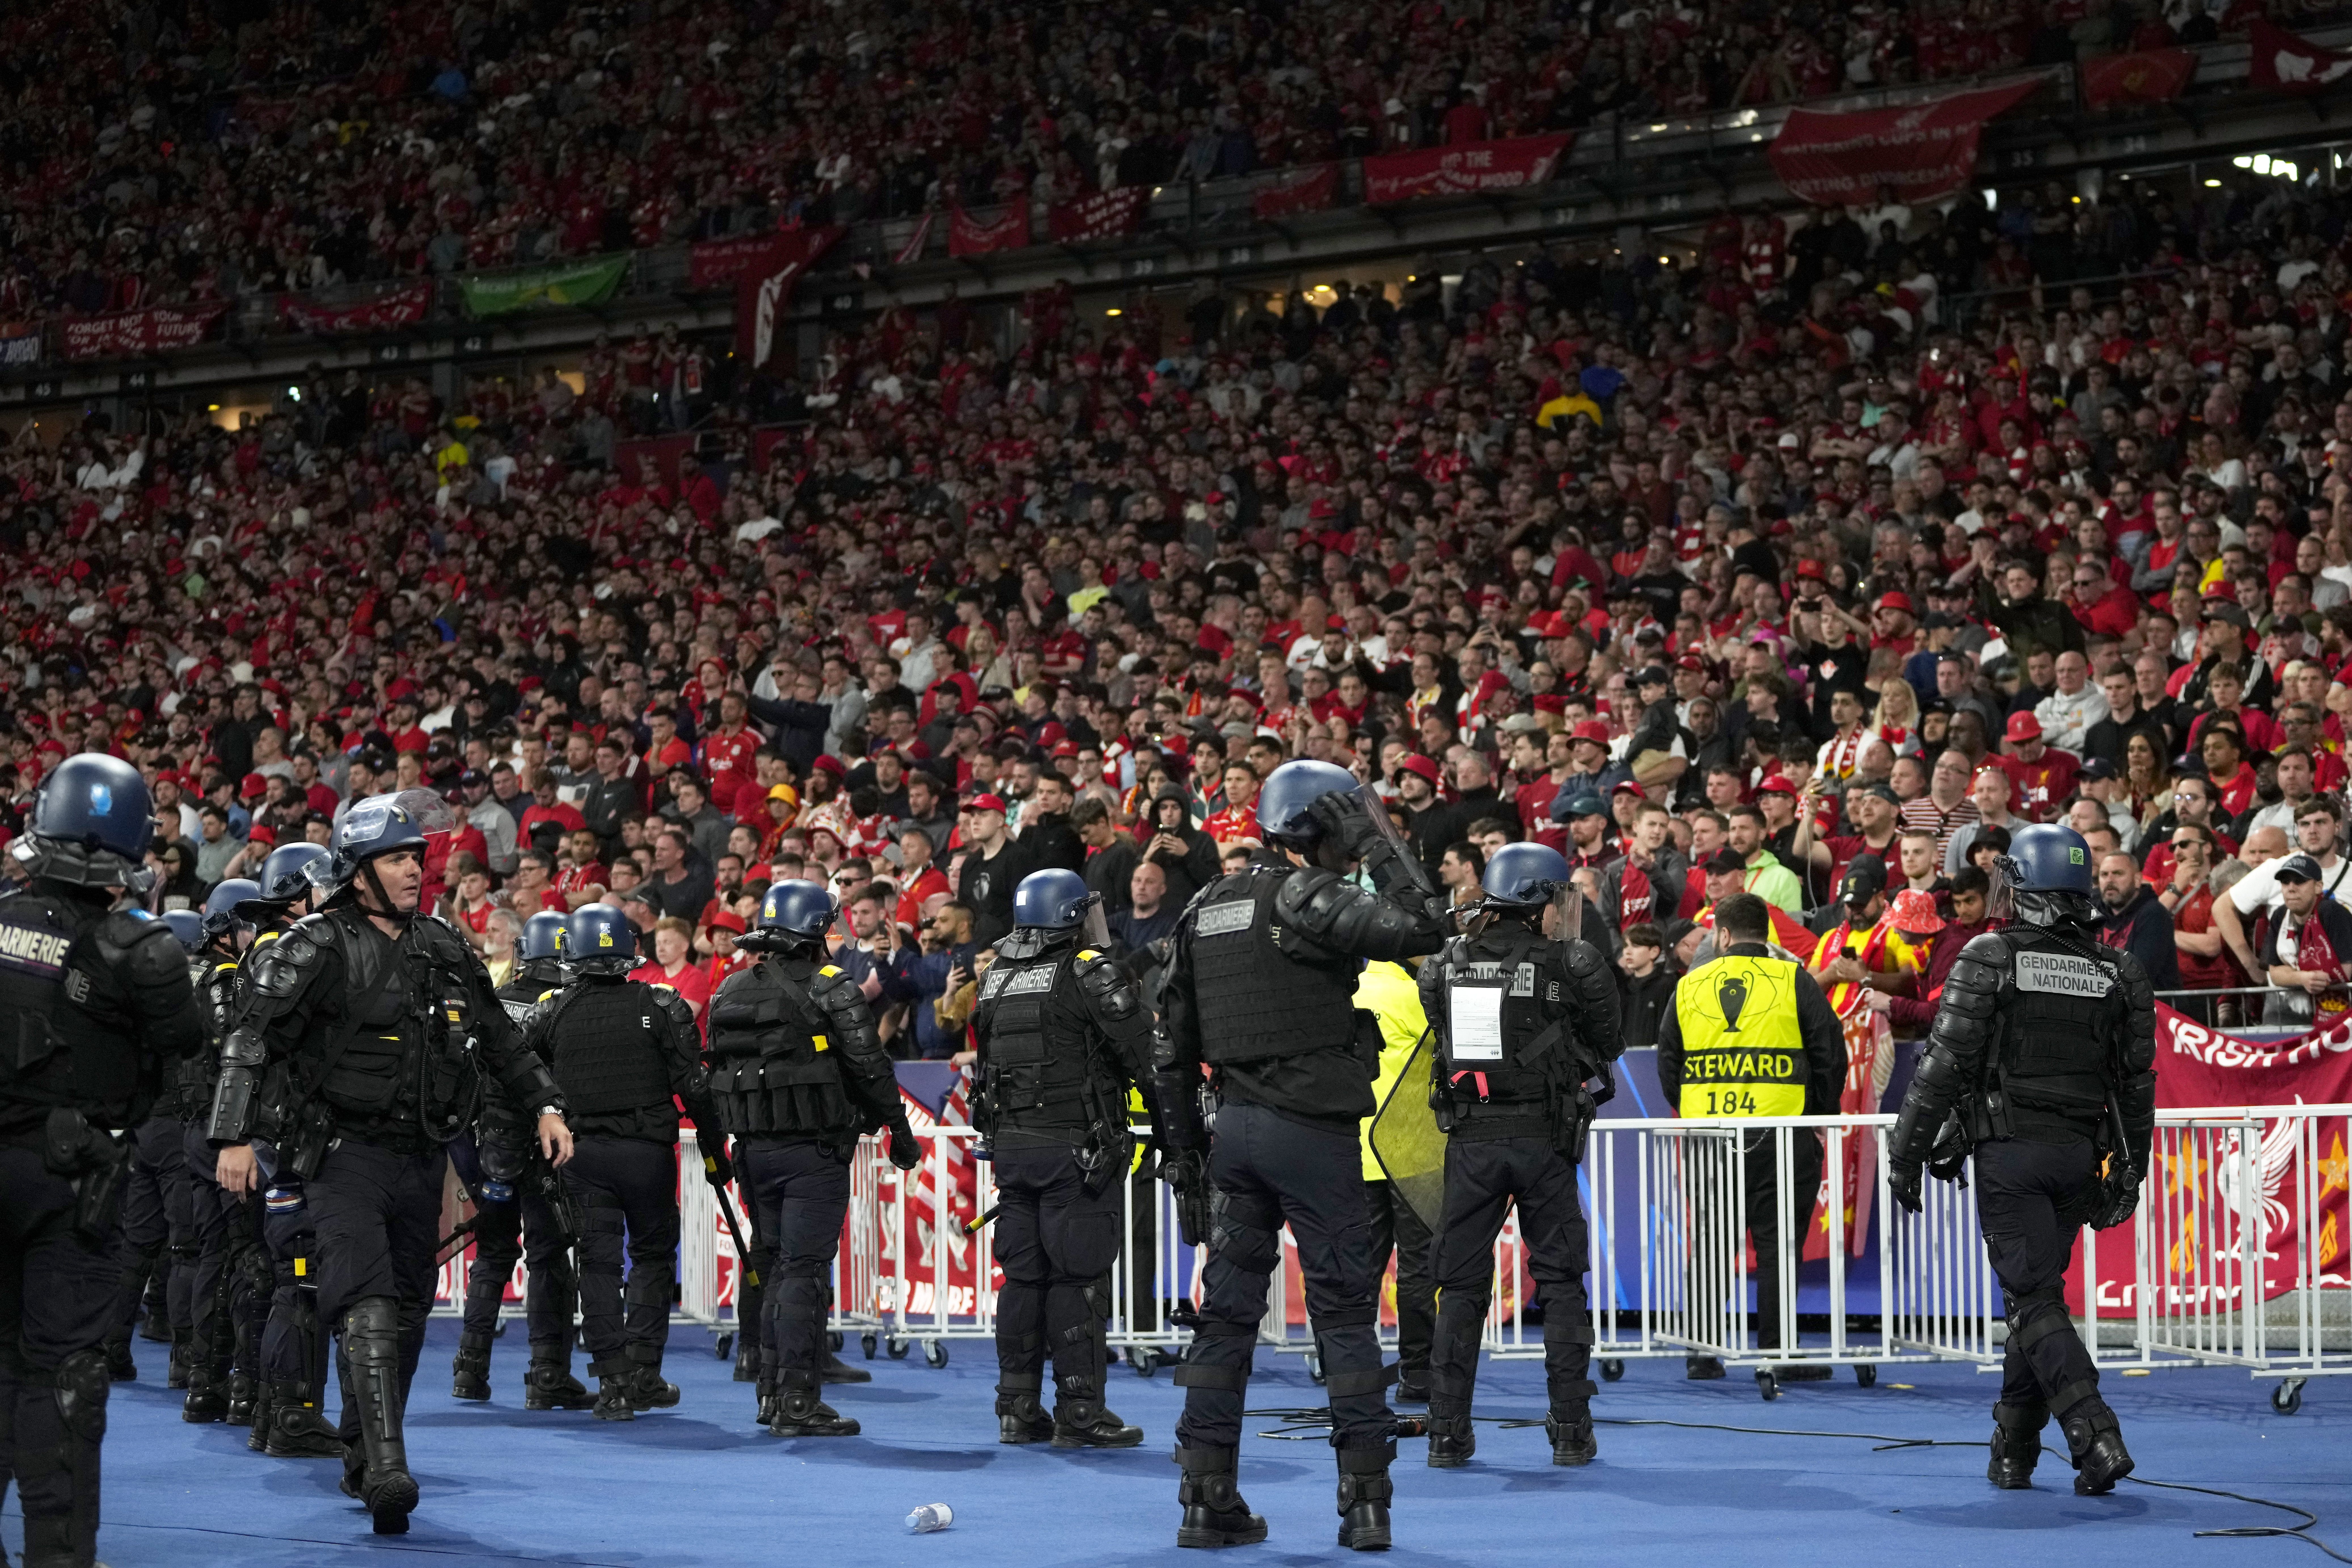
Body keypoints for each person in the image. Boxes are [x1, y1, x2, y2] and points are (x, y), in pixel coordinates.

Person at [208, 793, 575, 1535]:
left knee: (406, 1310)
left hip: (422, 1158)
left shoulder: (441, 944)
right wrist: (233, 1137)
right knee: (367, 1299)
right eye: (399, 858)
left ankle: (360, 1452)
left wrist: (545, 1104)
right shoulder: (312, 943)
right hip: (341, 1155)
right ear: (358, 871)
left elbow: (499, 1036)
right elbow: (251, 1040)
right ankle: (384, 1467)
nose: (416, 869)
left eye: (417, 856)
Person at [1153, 759, 1448, 1552]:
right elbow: (1427, 924)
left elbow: (1168, 1049)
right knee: (1344, 1315)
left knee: (1224, 1320)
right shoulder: (1306, 895)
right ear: (1321, 829)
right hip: (1311, 1134)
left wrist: (1185, 1157)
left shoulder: (1204, 907)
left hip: (1235, 1137)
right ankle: (1364, 1507)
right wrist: (1381, 843)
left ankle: (1203, 1499)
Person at [1888, 822, 2154, 1498]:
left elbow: (1940, 1066)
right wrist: (2131, 1168)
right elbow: (2135, 1085)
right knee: (2033, 1299)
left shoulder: (1989, 954)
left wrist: (1906, 1153)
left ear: (2021, 882)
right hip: (2078, 1157)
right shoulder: (2118, 968)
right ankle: (2013, 1449)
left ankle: (2095, 1432)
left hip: (2009, 1153)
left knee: (2032, 1299)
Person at [0, 755, 202, 1568]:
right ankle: (60, 1557)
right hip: (70, 1182)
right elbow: (181, 1053)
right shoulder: (142, 952)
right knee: (61, 1374)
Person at [1417, 843, 1621, 1468]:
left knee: (1458, 1286)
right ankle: (1569, 1430)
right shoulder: (1574, 962)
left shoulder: (1445, 961)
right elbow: (1608, 1040)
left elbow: (1441, 1031)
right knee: (1560, 1283)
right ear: (1538, 899)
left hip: (1472, 1139)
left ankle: (1447, 1432)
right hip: (1543, 1140)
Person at [704, 881, 921, 1439]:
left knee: (775, 1262)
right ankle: (798, 1398)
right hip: (812, 1151)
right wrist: (897, 1130)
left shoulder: (729, 989)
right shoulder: (831, 986)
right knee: (801, 1270)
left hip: (753, 1150)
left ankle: (772, 1392)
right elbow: (870, 1066)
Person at [972, 868, 1161, 1448]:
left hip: (1012, 1148)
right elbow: (1141, 1050)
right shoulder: (1086, 969)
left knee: (1023, 1276)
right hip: (1073, 1150)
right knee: (1075, 1277)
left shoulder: (997, 975)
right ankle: (1080, 1410)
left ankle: (1017, 1407)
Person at [525, 904, 726, 1420]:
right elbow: (695, 1086)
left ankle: (612, 1383)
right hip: (647, 1155)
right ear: (629, 950)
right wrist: (714, 1148)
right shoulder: (662, 1004)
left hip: (581, 1155)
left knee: (597, 1264)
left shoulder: (552, 1010)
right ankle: (644, 1373)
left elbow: (524, 1079)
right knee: (653, 1259)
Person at [1654, 892, 1846, 1380]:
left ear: (1721, 934)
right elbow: (1829, 1050)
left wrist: (1695, 1108)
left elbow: (1667, 1061)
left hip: (1709, 1137)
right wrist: (1816, 1114)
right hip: (1781, 1133)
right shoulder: (1793, 979)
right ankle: (1777, 1352)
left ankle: (1701, 1351)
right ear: (1767, 934)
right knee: (1778, 1244)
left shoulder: (1690, 985)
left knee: (1713, 1244)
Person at [219, 841, 349, 1460]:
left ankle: (276, 1412)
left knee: (287, 1278)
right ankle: (294, 1413)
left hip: (274, 1136)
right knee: (301, 1279)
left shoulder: (264, 952)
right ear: (303, 893)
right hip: (292, 1138)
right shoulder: (292, 953)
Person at [453, 907, 590, 1410]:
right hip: (546, 1152)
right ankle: (548, 1373)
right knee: (548, 1257)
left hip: (486, 1148)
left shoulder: (490, 1002)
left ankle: (470, 1370)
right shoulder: (568, 1006)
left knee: (491, 1255)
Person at [177, 880, 262, 1425]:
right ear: (226, 930)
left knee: (211, 1253)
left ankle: (202, 1381)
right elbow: (239, 1043)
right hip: (224, 1131)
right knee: (246, 1256)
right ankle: (244, 1387)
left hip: (192, 1126)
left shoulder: (187, 975)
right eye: (247, 925)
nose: (254, 935)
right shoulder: (228, 980)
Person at [1353, 956, 1435, 1404]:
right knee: (1418, 1268)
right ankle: (1418, 1373)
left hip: (1359, 1150)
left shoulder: (1349, 991)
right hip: (1410, 1154)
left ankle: (1354, 1372)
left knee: (1358, 1272)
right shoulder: (1414, 995)